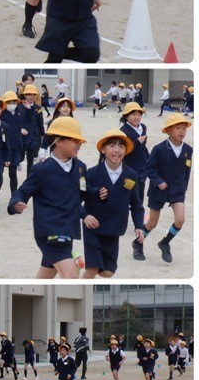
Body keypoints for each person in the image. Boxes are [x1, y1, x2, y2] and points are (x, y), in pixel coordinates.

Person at [8, 116, 93, 279]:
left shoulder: (80, 168)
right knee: (70, 277)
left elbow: (82, 196)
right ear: (58, 141)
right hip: (49, 232)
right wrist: (16, 203)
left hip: (68, 230)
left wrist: (97, 199)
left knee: (44, 279)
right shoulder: (42, 169)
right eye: (74, 140)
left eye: (80, 141)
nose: (79, 144)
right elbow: (23, 191)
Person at [82, 128, 144, 279]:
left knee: (108, 272)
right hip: (93, 228)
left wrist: (139, 226)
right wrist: (85, 216)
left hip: (114, 229)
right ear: (103, 149)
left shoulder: (130, 175)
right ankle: (80, 284)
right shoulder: (91, 173)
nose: (117, 150)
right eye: (112, 145)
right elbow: (77, 198)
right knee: (92, 268)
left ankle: (79, 264)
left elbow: (136, 204)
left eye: (121, 146)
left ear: (126, 151)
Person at [143, 113, 192, 263]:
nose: (182, 131)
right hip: (158, 191)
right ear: (168, 130)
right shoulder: (159, 149)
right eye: (178, 128)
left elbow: (187, 170)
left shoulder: (188, 150)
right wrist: (158, 181)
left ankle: (165, 243)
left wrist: (183, 187)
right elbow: (149, 168)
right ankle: (138, 243)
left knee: (180, 219)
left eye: (184, 128)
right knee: (152, 223)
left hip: (177, 191)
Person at [120, 102, 149, 209]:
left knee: (140, 189)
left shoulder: (143, 127)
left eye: (139, 114)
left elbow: (143, 147)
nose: (137, 117)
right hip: (129, 166)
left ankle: (138, 210)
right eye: (133, 114)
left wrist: (149, 158)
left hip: (142, 166)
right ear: (126, 116)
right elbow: (124, 150)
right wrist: (136, 142)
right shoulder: (123, 131)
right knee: (128, 189)